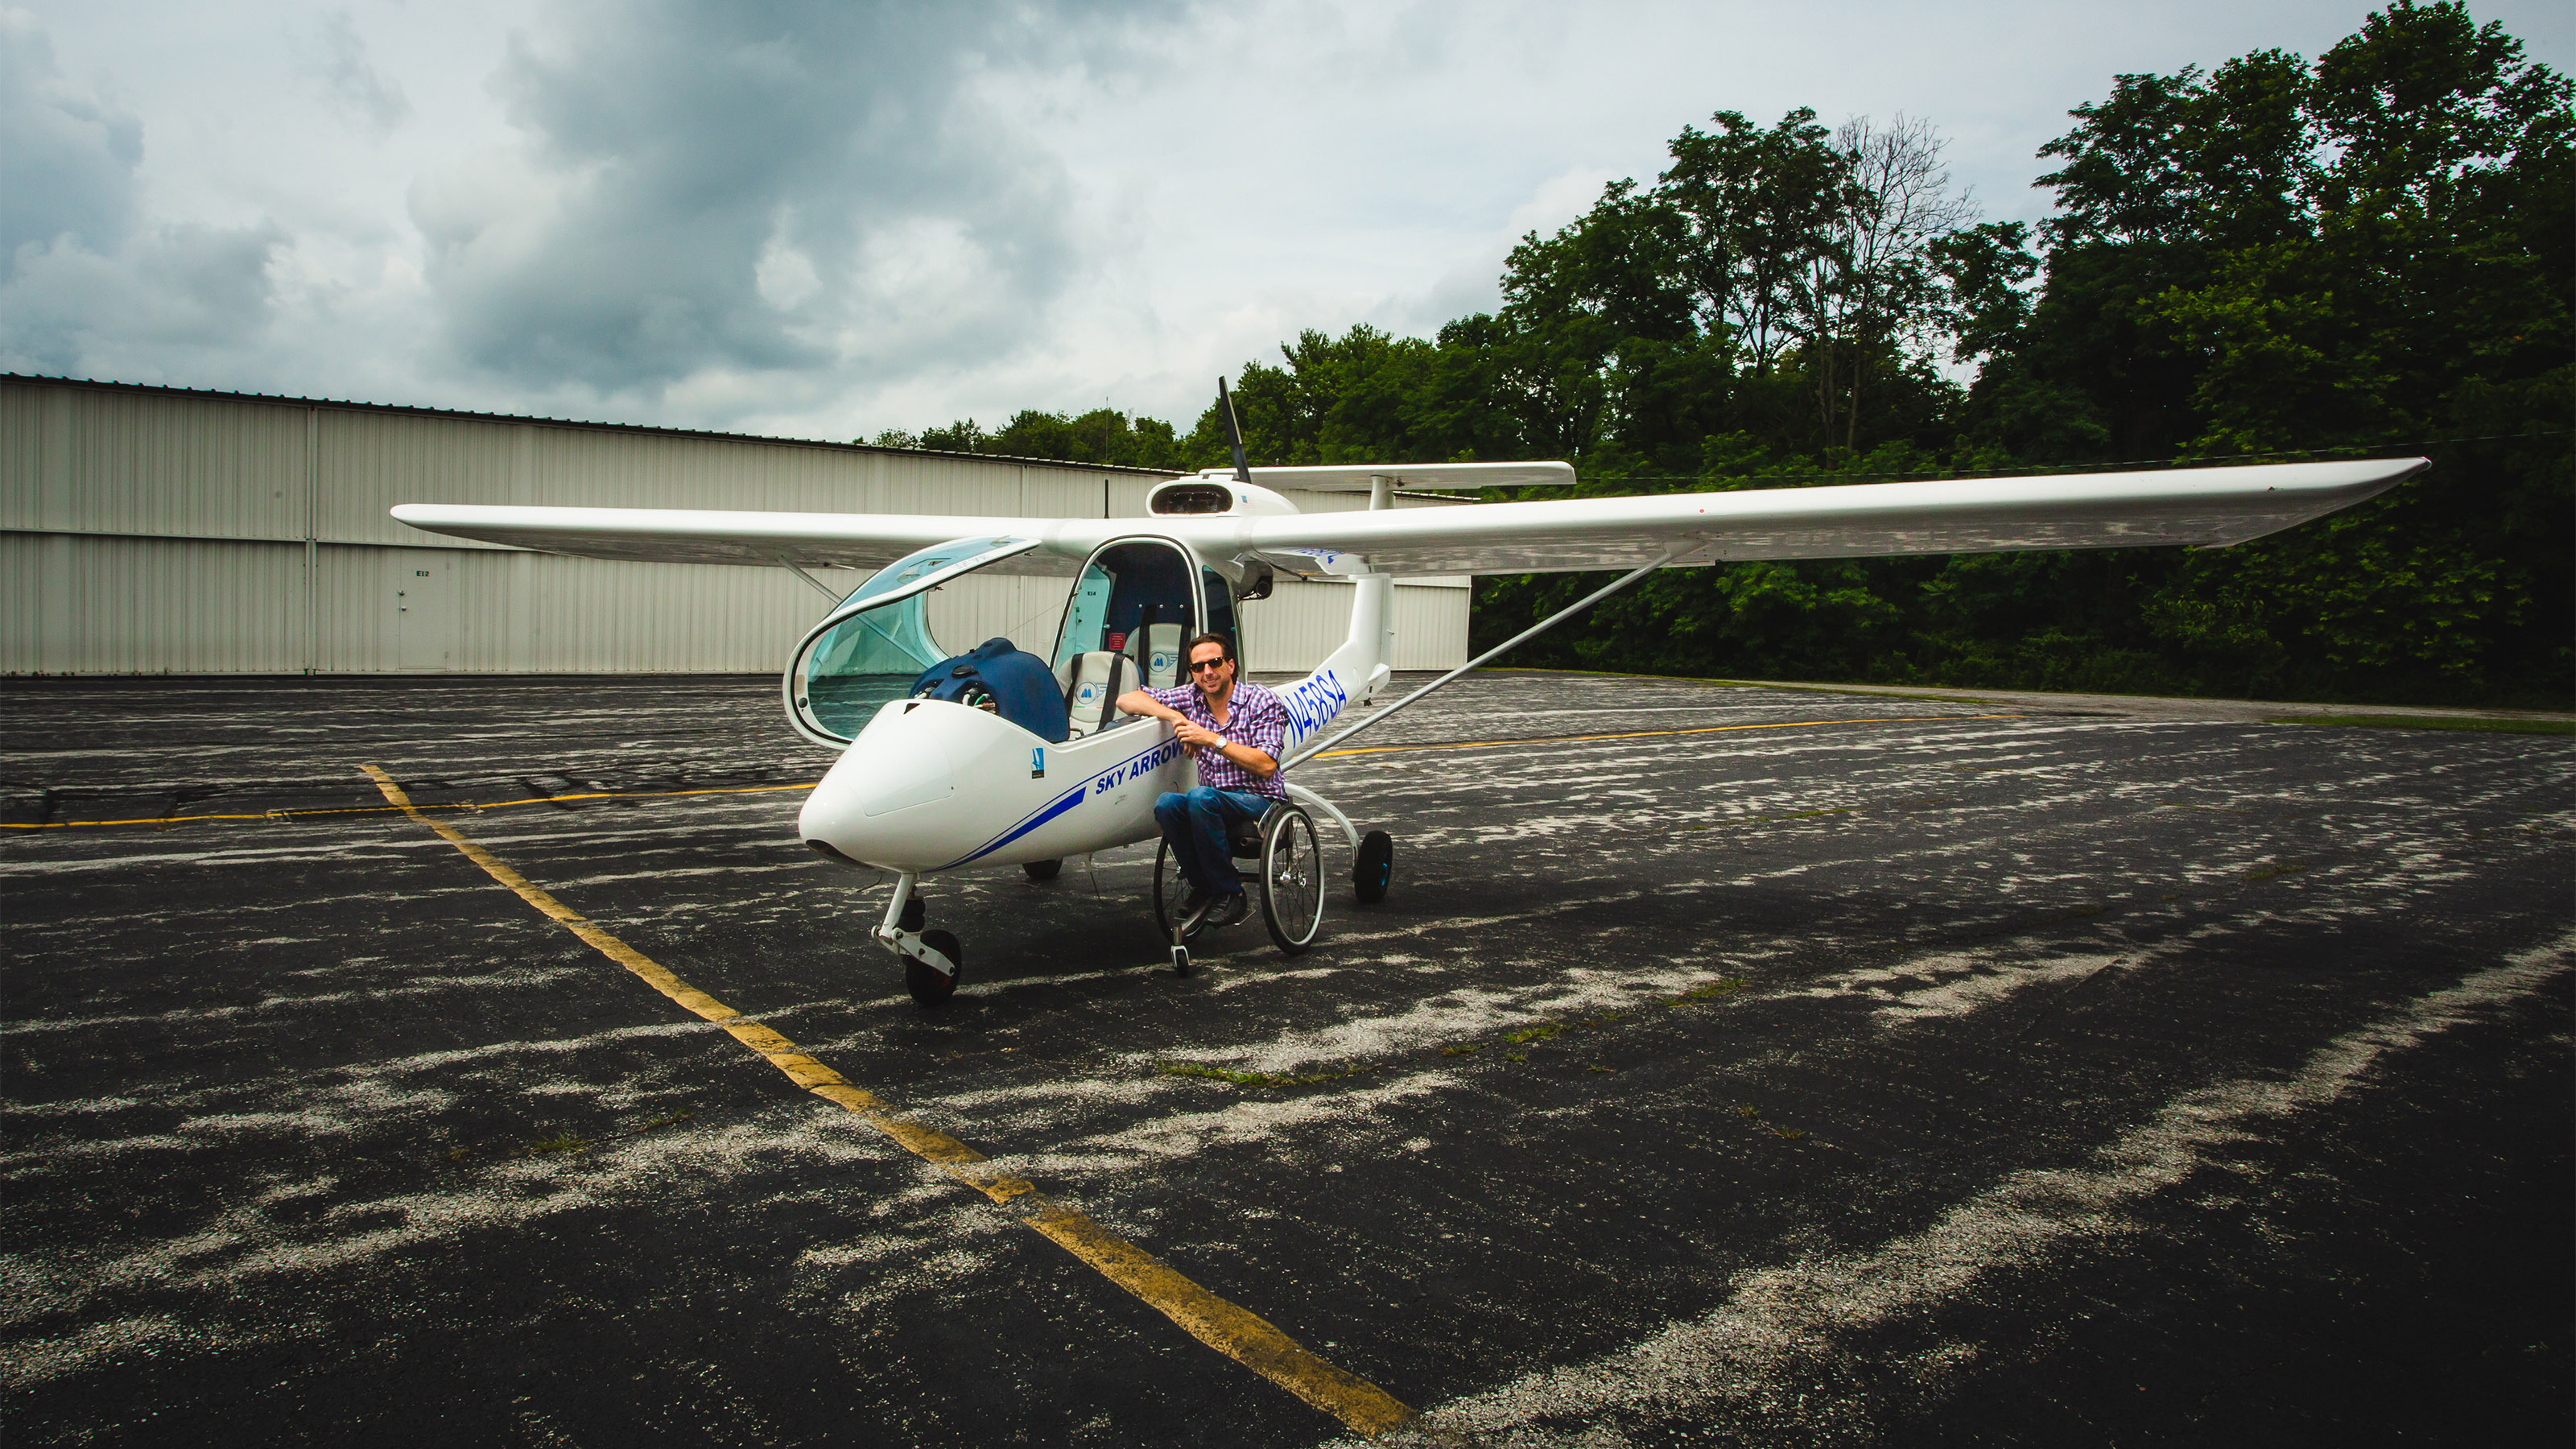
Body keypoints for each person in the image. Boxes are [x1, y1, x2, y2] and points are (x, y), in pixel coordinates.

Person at [1118, 631, 1288, 931]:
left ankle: (1231, 892)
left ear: (1231, 665)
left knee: (1200, 797)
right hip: (1212, 803)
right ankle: (1204, 886)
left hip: (1260, 801)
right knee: (1167, 804)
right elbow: (1127, 699)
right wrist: (1175, 718)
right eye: (1198, 667)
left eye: (1215, 662)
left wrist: (1210, 739)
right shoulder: (1191, 698)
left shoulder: (1260, 700)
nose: (1207, 672)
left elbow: (1266, 765)